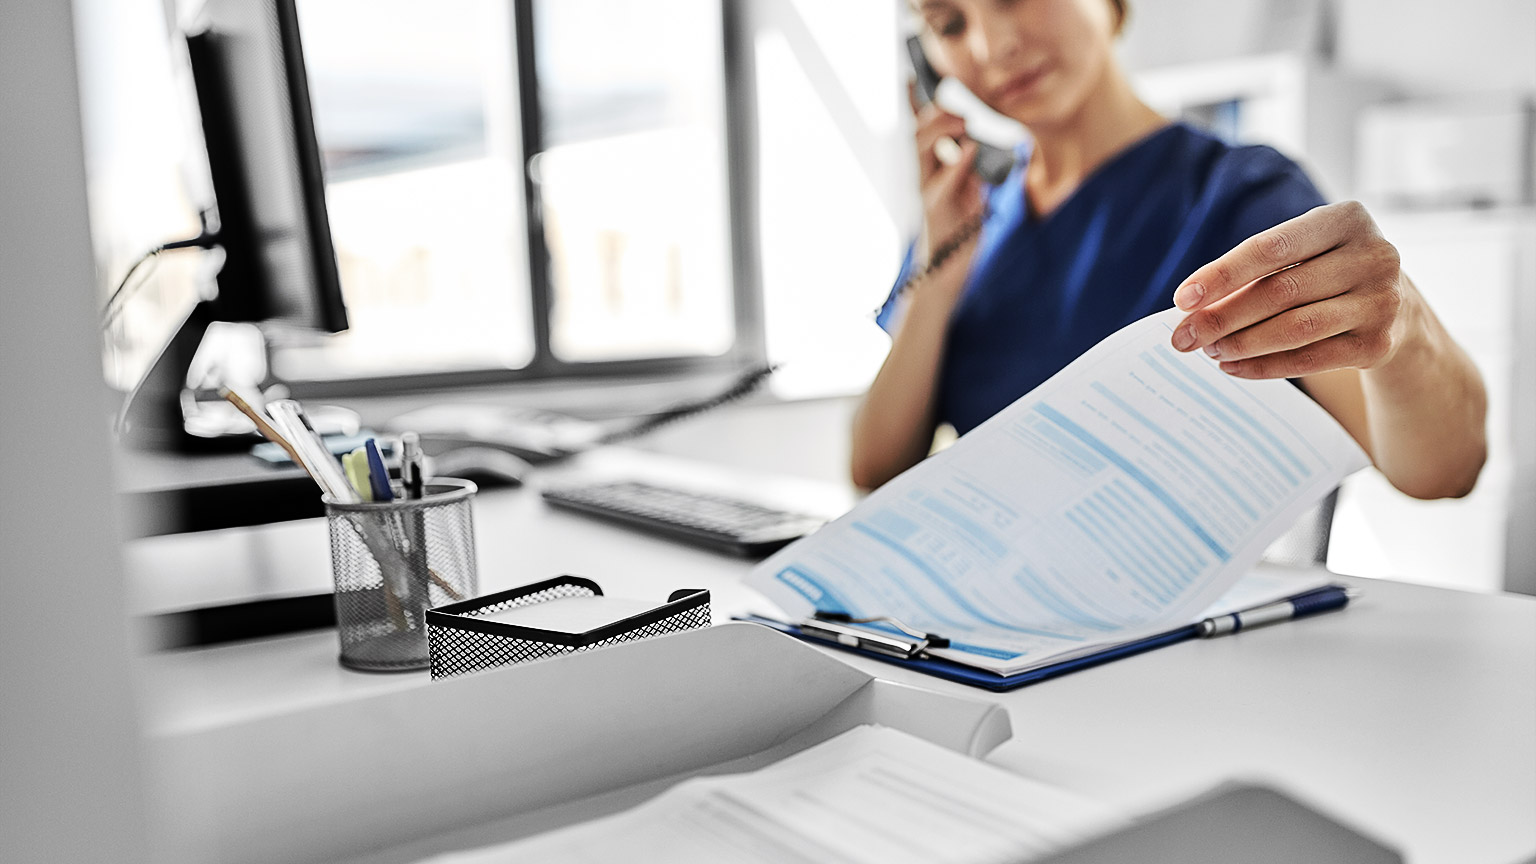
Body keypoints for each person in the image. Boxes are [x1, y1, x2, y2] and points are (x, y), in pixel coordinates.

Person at [851, 0, 1487, 502]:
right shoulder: (961, 219)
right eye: (949, 23)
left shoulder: (1241, 196)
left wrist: (1405, 327)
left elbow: (1440, 472)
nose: (993, 47)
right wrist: (935, 278)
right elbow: (875, 465)